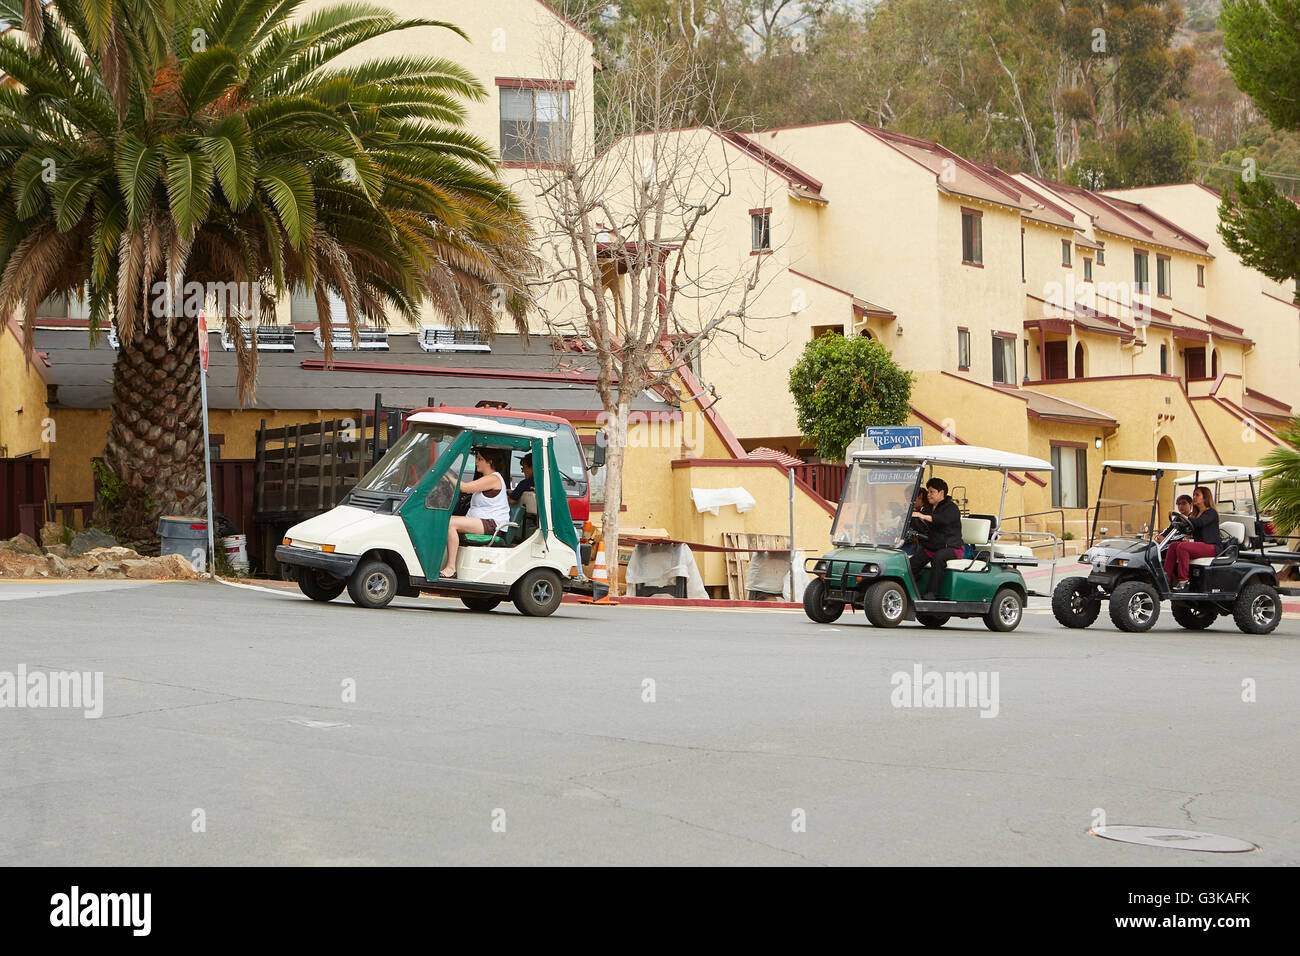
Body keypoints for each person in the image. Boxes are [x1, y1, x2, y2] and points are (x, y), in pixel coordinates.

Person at [441, 448, 510, 578]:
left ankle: (451, 568)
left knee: (451, 524)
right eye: (477, 458)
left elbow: (466, 488)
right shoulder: (486, 479)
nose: (476, 462)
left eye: (480, 459)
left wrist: (443, 474)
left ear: (490, 462)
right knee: (441, 518)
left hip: (492, 524)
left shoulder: (494, 478)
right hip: (481, 521)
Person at [908, 477, 964, 600]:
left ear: (941, 493)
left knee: (938, 558)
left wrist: (921, 515)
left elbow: (941, 520)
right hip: (934, 546)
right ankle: (908, 589)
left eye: (932, 492)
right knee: (911, 563)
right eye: (928, 492)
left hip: (952, 547)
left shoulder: (951, 508)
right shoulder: (930, 508)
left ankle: (931, 594)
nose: (928, 495)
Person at [1163, 486, 1220, 590]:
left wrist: (1186, 517)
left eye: (1197, 495)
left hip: (1211, 546)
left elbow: (1200, 523)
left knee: (1183, 547)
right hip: (1200, 545)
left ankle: (1183, 581)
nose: (1194, 497)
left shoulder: (1211, 512)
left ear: (1205, 497)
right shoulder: (1195, 514)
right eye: (1194, 495)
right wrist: (1187, 535)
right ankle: (1166, 577)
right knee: (1173, 545)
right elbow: (1191, 528)